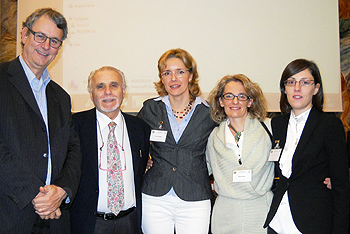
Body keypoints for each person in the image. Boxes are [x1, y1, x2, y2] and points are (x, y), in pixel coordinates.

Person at [0, 8, 81, 233]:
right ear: (25, 35)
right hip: (9, 214)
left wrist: (62, 190)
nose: (46, 46)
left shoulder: (61, 97)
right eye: (40, 36)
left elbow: (73, 151)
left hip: (54, 219)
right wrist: (35, 195)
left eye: (54, 41)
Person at [264, 59, 350, 233]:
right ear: (284, 89)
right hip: (278, 219)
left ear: (316, 88)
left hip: (313, 221)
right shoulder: (277, 124)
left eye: (305, 82)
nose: (297, 88)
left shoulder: (330, 125)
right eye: (290, 82)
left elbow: (341, 187)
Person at [137, 48, 217, 234]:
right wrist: (142, 159)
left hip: (195, 197)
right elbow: (134, 140)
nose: (173, 79)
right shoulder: (150, 108)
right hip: (155, 197)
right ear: (162, 78)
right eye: (167, 73)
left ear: (190, 76)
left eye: (180, 72)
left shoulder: (209, 112)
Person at [70, 66, 150, 234]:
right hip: (89, 224)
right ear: (91, 94)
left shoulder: (140, 128)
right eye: (100, 86)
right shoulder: (74, 126)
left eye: (114, 85)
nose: (108, 92)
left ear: (124, 91)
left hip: (131, 222)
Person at [206, 74, 274, 233]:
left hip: (260, 210)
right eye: (229, 96)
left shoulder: (269, 128)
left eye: (241, 96)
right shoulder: (213, 137)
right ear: (221, 101)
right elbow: (202, 167)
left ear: (250, 101)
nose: (234, 102)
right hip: (226, 213)